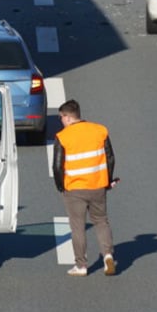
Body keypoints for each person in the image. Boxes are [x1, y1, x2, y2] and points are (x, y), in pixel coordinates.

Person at [52, 99, 118, 277]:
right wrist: (108, 180)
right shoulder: (99, 130)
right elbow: (110, 157)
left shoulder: (63, 137)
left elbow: (57, 166)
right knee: (101, 221)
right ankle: (108, 256)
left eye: (61, 117)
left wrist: (61, 186)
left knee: (78, 227)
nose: (61, 121)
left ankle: (81, 265)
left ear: (67, 117)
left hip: (74, 188)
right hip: (97, 185)